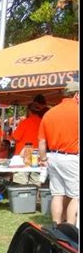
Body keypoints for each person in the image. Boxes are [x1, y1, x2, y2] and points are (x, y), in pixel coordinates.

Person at [38, 80, 79, 225]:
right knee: (76, 196)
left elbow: (42, 142)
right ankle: (70, 227)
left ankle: (56, 226)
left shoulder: (49, 113)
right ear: (77, 95)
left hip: (53, 157)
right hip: (72, 157)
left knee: (57, 194)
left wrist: (43, 159)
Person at [11, 99, 47, 186]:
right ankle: (36, 199)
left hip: (22, 158)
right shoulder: (43, 122)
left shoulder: (24, 122)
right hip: (37, 157)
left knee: (21, 184)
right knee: (36, 183)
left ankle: (22, 199)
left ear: (29, 111)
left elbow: (15, 137)